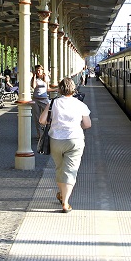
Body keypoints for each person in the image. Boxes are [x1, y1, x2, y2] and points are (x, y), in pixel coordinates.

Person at [39, 77, 91, 213]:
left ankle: (62, 195)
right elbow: (87, 124)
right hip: (75, 140)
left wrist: (55, 123)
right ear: (73, 89)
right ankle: (65, 202)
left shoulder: (53, 103)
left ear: (60, 89)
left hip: (56, 140)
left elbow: (42, 120)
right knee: (70, 171)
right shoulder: (80, 105)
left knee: (60, 169)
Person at [30, 65, 51, 138]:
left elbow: (48, 89)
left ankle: (47, 131)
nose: (38, 72)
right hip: (36, 100)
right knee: (37, 117)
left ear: (42, 70)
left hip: (44, 99)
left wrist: (57, 89)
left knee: (48, 116)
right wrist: (34, 77)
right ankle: (40, 134)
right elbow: (33, 86)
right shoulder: (34, 79)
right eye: (37, 70)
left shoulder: (46, 78)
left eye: (39, 70)